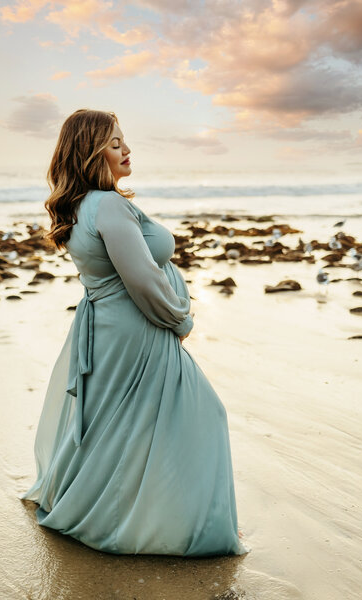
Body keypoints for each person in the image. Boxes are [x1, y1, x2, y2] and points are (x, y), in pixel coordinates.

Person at [21, 108, 249, 557]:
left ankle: (118, 512)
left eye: (124, 141)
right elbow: (141, 278)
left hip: (108, 330)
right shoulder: (108, 205)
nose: (126, 150)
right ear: (90, 152)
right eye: (114, 143)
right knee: (204, 415)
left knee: (119, 426)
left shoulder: (85, 205)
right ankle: (186, 527)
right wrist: (180, 320)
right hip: (138, 330)